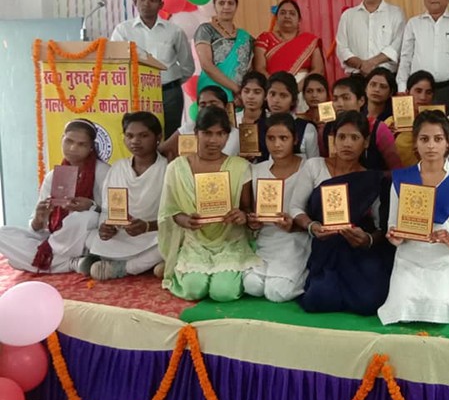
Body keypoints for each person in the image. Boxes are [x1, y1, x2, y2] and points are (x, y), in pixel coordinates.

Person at [379, 112, 449, 325]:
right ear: (415, 143)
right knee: (401, 306)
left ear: (448, 143)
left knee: (441, 307)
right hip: (409, 258)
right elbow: (392, 224)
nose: (431, 146)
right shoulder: (401, 179)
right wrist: (395, 237)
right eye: (424, 139)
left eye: (438, 139)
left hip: (445, 258)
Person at [290, 111, 394, 315]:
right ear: (333, 139)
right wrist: (312, 226)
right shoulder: (314, 166)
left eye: (355, 138)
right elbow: (296, 208)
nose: (347, 143)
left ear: (366, 142)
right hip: (325, 245)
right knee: (319, 299)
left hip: (357, 249)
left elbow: (380, 226)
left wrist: (367, 240)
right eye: (342, 137)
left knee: (370, 301)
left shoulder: (371, 179)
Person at [158, 106, 256, 302]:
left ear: (228, 136)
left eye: (220, 134)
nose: (213, 140)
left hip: (230, 241)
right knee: (193, 289)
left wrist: (242, 217)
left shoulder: (240, 167)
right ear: (196, 133)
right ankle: (178, 267)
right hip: (196, 241)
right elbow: (170, 211)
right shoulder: (176, 168)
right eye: (207, 133)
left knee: (224, 292)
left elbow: (247, 210)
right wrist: (185, 220)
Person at [0, 119, 110, 273]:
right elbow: (36, 229)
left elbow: (112, 214)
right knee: (3, 233)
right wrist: (39, 218)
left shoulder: (104, 172)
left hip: (85, 235)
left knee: (83, 217)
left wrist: (91, 206)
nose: (73, 148)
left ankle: (36, 258)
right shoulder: (52, 176)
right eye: (69, 141)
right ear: (62, 140)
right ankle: (72, 263)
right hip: (55, 236)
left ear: (91, 148)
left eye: (81, 144)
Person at [84, 112, 168, 279]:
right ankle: (151, 265)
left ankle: (125, 268)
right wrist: (106, 228)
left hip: (153, 234)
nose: (135, 141)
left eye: (143, 136)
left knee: (172, 239)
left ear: (158, 137)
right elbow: (107, 210)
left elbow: (174, 216)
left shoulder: (168, 168)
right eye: (129, 136)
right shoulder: (117, 168)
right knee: (89, 237)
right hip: (122, 236)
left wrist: (147, 226)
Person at [110, 0, 195, 138]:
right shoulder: (123, 31)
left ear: (161, 5)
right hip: (136, 93)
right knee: (139, 137)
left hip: (169, 95)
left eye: (152, 0)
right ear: (135, 1)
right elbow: (116, 63)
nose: (146, 3)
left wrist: (170, 82)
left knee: (170, 137)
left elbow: (187, 66)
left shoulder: (174, 31)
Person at [243, 113, 311, 302]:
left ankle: (306, 273)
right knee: (252, 286)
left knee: (278, 292)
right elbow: (250, 210)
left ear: (295, 139)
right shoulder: (257, 170)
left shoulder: (309, 168)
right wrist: (253, 221)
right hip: (266, 239)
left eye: (283, 138)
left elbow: (316, 213)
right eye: (271, 138)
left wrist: (294, 225)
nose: (277, 144)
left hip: (296, 239)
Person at [253, 0, 324, 111]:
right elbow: (259, 68)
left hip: (303, 89)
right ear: (276, 18)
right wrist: (277, 87)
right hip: (274, 91)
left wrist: (296, 88)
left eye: (292, 13)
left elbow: (318, 69)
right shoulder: (265, 38)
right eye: (283, 13)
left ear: (299, 19)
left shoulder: (310, 40)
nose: (287, 16)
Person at [319, 76, 402, 170]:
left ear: (361, 101)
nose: (340, 104)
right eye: (335, 99)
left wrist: (375, 176)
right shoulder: (327, 129)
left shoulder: (377, 128)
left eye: (346, 98)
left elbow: (396, 169)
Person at [336, 0, 406, 74]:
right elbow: (342, 49)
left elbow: (397, 45)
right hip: (356, 76)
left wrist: (372, 63)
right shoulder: (348, 16)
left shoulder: (395, 13)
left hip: (385, 77)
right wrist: (361, 65)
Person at [195, 0, 254, 103]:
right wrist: (236, 89)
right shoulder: (205, 30)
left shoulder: (245, 36)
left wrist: (244, 92)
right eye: (221, 3)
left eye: (230, 3)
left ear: (236, 6)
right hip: (212, 92)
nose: (226, 7)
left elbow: (249, 68)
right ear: (214, 6)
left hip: (239, 98)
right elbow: (206, 65)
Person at [159, 85, 240, 160]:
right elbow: (163, 149)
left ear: (226, 107)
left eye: (213, 104)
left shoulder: (236, 134)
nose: (208, 108)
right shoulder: (190, 126)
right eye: (202, 105)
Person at [264, 71, 319, 159]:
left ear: (293, 100)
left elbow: (314, 163)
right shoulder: (259, 125)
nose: (276, 100)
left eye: (283, 95)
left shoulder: (306, 128)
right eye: (272, 94)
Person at [386, 70, 436, 166]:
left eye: (428, 92)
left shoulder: (439, 123)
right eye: (418, 91)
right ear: (407, 92)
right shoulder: (391, 122)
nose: (423, 97)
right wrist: (387, 136)